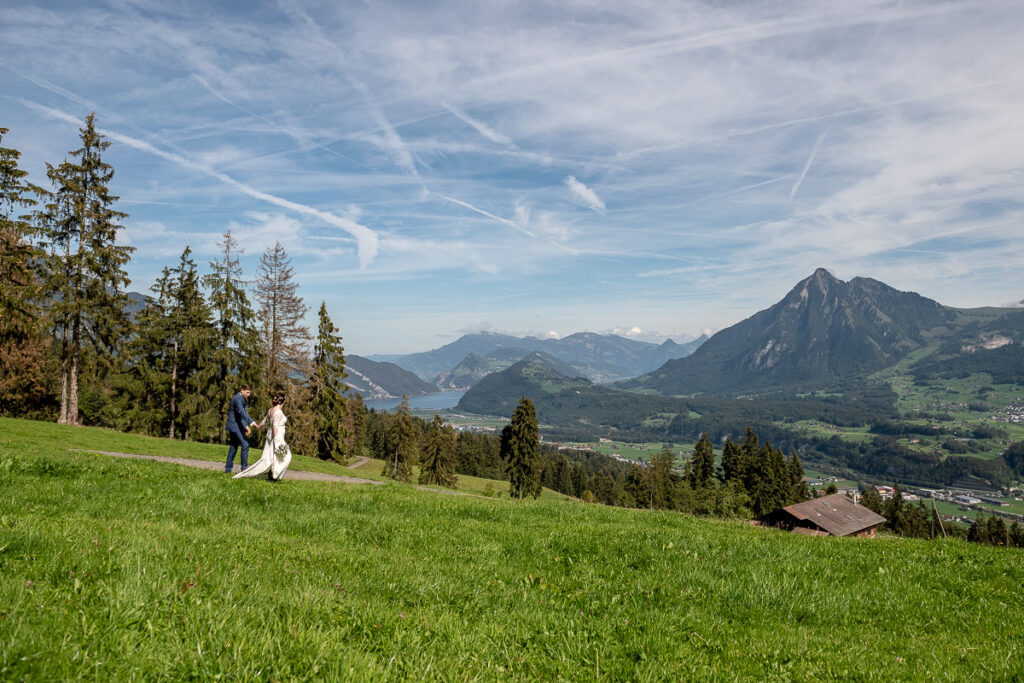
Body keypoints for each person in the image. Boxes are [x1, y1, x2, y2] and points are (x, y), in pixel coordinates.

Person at [234, 392, 292, 482]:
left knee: (274, 457)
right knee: (287, 456)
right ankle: (274, 475)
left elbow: (264, 421)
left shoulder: (270, 410)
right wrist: (277, 441)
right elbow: (275, 426)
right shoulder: (279, 412)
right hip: (277, 437)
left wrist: (258, 427)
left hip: (271, 436)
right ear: (282, 402)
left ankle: (272, 474)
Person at [224, 384, 259, 473]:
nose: (249, 395)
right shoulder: (237, 399)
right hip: (234, 425)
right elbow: (242, 412)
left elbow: (240, 416)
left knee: (234, 446)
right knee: (245, 444)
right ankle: (244, 468)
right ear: (242, 390)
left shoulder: (241, 399)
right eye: (247, 392)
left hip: (237, 424)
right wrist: (251, 422)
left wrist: (246, 426)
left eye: (249, 393)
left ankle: (228, 469)